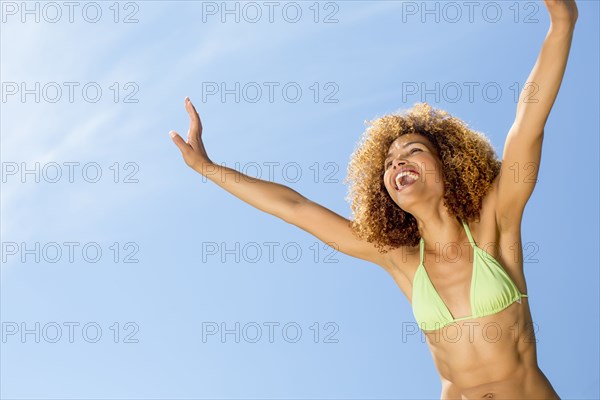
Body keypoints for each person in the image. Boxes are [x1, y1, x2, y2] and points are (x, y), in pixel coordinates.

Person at [169, 1, 578, 398]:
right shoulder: (396, 258)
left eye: (413, 150)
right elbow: (295, 208)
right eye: (389, 161)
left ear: (449, 165)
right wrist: (208, 168)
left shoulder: (495, 222)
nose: (398, 161)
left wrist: (562, 21)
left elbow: (528, 123)